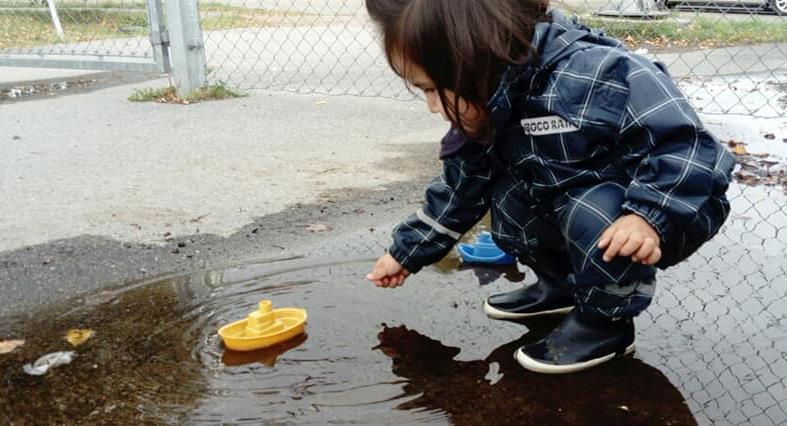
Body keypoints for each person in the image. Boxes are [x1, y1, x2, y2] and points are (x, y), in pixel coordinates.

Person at [364, 0, 735, 374]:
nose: (432, 106)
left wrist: (647, 216)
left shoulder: (597, 74)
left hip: (661, 211)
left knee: (589, 207)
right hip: (578, 204)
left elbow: (689, 148)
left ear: (476, 59)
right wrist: (406, 252)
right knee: (509, 194)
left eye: (434, 89)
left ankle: (605, 322)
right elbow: (459, 190)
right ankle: (560, 286)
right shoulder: (492, 100)